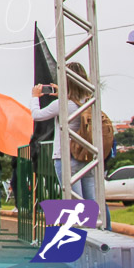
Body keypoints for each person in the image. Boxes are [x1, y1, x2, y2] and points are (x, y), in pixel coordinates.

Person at [32, 61, 108, 230]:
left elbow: (37, 115)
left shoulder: (63, 104)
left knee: (76, 205)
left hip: (66, 158)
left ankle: (81, 243)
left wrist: (35, 97)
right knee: (92, 203)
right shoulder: (90, 101)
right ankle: (100, 237)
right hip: (87, 157)